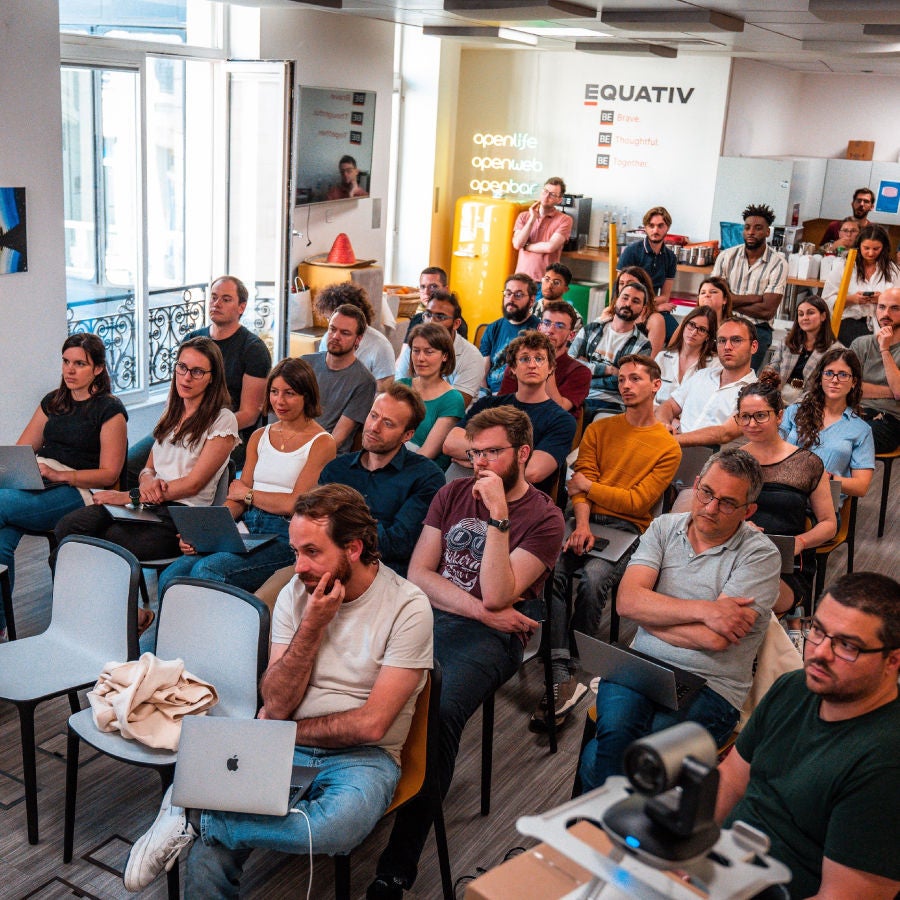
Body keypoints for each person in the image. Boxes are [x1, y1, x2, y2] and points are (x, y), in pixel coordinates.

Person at [123, 484, 433, 896]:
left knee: (334, 827)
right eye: (294, 552)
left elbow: (372, 725)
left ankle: (198, 819)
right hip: (288, 743)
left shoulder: (407, 607)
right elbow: (278, 701)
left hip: (365, 758)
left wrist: (282, 729)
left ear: (354, 549)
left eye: (312, 552)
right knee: (207, 860)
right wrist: (312, 626)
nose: (299, 566)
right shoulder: (296, 593)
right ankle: (204, 821)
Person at [368, 407, 565, 900]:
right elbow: (420, 574)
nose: (480, 464)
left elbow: (500, 593)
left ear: (522, 453)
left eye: (493, 453)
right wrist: (482, 611)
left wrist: (499, 516)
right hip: (440, 613)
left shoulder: (544, 517)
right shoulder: (451, 491)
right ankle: (365, 791)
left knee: (439, 705)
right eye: (475, 452)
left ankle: (398, 866)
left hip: (497, 638)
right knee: (359, 674)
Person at [577, 448, 781, 794]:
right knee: (614, 737)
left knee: (614, 757)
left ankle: (588, 837)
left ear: (749, 511)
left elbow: (717, 640)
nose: (711, 508)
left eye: (728, 503)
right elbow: (627, 602)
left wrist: (653, 616)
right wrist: (707, 611)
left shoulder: (761, 555)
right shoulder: (664, 527)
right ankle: (606, 839)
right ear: (697, 484)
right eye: (707, 493)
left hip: (711, 685)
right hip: (640, 665)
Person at [716, 572, 900, 900]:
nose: (819, 653)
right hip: (718, 870)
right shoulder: (794, 687)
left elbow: (843, 896)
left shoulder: (886, 762)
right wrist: (679, 849)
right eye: (817, 630)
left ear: (893, 661)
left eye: (847, 645)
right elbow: (730, 781)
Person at [55, 337, 238, 630]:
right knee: (68, 528)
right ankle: (113, 615)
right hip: (146, 502)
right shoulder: (173, 408)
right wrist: (147, 479)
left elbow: (193, 484)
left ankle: (103, 616)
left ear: (213, 378)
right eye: (181, 367)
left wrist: (133, 495)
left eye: (197, 372)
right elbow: (149, 466)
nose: (186, 377)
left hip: (178, 513)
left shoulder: (223, 420)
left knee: (111, 538)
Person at [540, 355, 681, 728]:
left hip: (631, 529)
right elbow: (578, 484)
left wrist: (590, 487)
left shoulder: (667, 447)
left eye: (635, 378)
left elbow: (637, 503)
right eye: (621, 379)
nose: (625, 385)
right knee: (550, 570)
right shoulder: (600, 429)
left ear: (655, 385)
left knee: (594, 577)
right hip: (585, 519)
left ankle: (580, 655)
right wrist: (582, 522)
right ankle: (560, 663)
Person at [156, 357, 336, 596]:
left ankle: (214, 633)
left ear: (307, 395)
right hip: (246, 526)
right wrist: (204, 532)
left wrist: (248, 494)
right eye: (274, 392)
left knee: (208, 571)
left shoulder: (322, 442)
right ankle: (174, 634)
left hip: (286, 535)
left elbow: (295, 504)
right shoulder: (259, 436)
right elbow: (237, 499)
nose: (279, 401)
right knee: (171, 576)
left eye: (289, 393)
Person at [0, 334, 127, 639]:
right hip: (44, 479)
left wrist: (60, 476)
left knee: (1, 505)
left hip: (79, 490)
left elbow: (109, 474)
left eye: (79, 364)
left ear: (97, 369)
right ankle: (0, 627)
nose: (70, 370)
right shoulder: (53, 401)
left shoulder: (110, 410)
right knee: (1, 536)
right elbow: (23, 450)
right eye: (66, 362)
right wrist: (22, 471)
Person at [127, 275, 269, 484]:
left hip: (228, 433)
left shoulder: (253, 349)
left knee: (181, 472)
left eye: (226, 299)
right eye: (213, 297)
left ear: (242, 307)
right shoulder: (193, 340)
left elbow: (248, 414)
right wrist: (172, 427)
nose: (216, 303)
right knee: (131, 465)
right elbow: (174, 396)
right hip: (182, 425)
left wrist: (201, 427)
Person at [319, 384, 446, 578]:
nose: (373, 427)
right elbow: (315, 524)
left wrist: (339, 522)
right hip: (324, 564)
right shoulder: (336, 469)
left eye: (388, 423)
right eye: (373, 415)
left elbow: (397, 545)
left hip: (384, 576)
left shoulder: (427, 477)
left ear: (407, 435)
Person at [736, 371, 837, 614]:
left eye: (760, 416)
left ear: (780, 416)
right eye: (745, 417)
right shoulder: (732, 460)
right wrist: (737, 525)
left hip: (786, 563)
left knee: (741, 600)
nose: (751, 424)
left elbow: (828, 523)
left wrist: (800, 542)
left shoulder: (806, 463)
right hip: (736, 550)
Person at [444, 330, 576, 496]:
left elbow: (533, 472)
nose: (532, 364)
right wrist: (503, 458)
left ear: (551, 368)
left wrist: (477, 459)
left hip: (517, 498)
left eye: (539, 359)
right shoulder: (488, 404)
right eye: (524, 358)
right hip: (468, 483)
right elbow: (450, 444)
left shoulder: (562, 420)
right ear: (513, 368)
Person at [781, 347, 875, 499]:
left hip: (825, 500)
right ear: (821, 378)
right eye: (829, 373)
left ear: (854, 382)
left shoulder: (861, 430)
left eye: (843, 375)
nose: (835, 380)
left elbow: (861, 487)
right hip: (784, 489)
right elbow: (771, 450)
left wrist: (827, 478)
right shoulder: (794, 411)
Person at [656, 315, 759, 448]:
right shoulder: (702, 375)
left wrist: (674, 441)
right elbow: (669, 406)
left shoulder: (757, 394)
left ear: (754, 346)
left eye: (736, 340)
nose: (727, 347)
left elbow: (725, 433)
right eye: (722, 340)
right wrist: (664, 426)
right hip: (673, 447)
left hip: (714, 459)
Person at [712, 203, 788, 370]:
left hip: (757, 328)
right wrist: (755, 298)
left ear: (768, 232)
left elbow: (767, 311)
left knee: (741, 375)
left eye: (758, 228)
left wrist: (729, 300)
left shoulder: (778, 263)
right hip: (724, 322)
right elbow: (716, 299)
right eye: (747, 227)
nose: (751, 232)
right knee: (712, 370)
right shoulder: (726, 257)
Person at [569, 281, 652, 417]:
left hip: (611, 404)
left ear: (643, 309)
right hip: (577, 395)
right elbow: (570, 365)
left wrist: (585, 369)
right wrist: (608, 370)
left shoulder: (642, 345)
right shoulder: (591, 329)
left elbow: (627, 382)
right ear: (616, 300)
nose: (628, 303)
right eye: (625, 297)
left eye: (635, 301)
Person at [499, 299, 590, 418]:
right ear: (539, 327)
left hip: (549, 430)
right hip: (513, 424)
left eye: (559, 326)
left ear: (571, 335)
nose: (550, 330)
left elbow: (557, 409)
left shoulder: (580, 372)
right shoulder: (520, 360)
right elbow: (502, 404)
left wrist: (547, 361)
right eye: (546, 323)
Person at [303, 304, 377, 453]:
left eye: (345, 333)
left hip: (327, 456)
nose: (336, 336)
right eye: (332, 329)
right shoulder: (305, 364)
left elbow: (336, 439)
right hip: (291, 446)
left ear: (358, 339)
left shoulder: (364, 381)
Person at [396, 288, 482, 405]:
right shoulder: (415, 346)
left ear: (456, 324)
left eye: (440, 317)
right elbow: (399, 391)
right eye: (428, 315)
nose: (431, 322)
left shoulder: (472, 356)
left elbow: (455, 406)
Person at [398, 323, 465, 470]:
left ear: (445, 356)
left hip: (421, 471)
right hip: (391, 458)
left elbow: (427, 453)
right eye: (415, 351)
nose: (420, 358)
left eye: (429, 352)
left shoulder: (452, 399)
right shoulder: (400, 386)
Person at [823, 224, 899, 345]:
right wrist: (851, 299)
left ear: (884, 248)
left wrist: (882, 300)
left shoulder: (892, 270)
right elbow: (826, 300)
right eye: (866, 248)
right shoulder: (843, 266)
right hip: (848, 320)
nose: (870, 253)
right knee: (865, 346)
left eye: (876, 249)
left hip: (883, 323)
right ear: (859, 246)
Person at [315, 282, 395, 391]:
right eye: (329, 320)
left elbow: (383, 391)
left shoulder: (380, 346)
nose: (335, 335)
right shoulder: (327, 339)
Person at [851, 289, 900, 453]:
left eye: (895, 308)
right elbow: (849, 387)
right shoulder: (861, 344)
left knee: (847, 441)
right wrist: (890, 392)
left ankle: (837, 479)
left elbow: (898, 391)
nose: (886, 313)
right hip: (855, 412)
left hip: (890, 420)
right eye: (881, 307)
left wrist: (885, 350)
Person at [768, 295, 840, 404]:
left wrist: (799, 403)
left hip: (811, 401)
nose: (805, 317)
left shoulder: (835, 350)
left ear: (823, 316)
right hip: (779, 394)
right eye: (801, 314)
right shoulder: (787, 341)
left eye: (810, 313)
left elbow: (824, 385)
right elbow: (774, 366)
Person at [479, 273, 540, 395]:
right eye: (508, 293)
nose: (511, 299)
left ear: (532, 300)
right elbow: (482, 372)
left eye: (518, 295)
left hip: (520, 394)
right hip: (490, 392)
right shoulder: (493, 328)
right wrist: (486, 395)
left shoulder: (539, 330)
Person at [616, 205, 678, 314]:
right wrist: (655, 308)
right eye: (651, 226)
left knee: (673, 326)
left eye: (660, 226)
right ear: (645, 228)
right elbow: (620, 294)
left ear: (667, 227)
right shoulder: (631, 252)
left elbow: (664, 297)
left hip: (651, 307)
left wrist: (651, 307)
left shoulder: (671, 258)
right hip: (628, 308)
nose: (655, 230)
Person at [596, 266, 670, 357]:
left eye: (630, 283)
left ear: (643, 287)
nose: (625, 287)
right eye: (621, 283)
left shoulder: (655, 320)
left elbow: (650, 360)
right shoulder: (609, 311)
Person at [511, 177, 573, 283]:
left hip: (545, 283)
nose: (547, 196)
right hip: (520, 280)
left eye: (552, 194)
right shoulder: (524, 216)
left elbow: (550, 247)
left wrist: (527, 246)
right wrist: (532, 219)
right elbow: (517, 244)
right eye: (545, 191)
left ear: (559, 200)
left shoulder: (565, 220)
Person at [654, 305, 719, 405]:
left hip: (690, 419)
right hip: (657, 417)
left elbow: (709, 404)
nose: (693, 332)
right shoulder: (662, 357)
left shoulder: (715, 364)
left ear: (708, 337)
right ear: (684, 325)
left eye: (701, 329)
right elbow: (648, 397)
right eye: (691, 325)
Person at [403, 267, 469, 342]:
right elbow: (405, 351)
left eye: (433, 287)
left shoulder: (455, 323)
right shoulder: (416, 319)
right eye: (423, 287)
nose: (426, 292)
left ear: (445, 290)